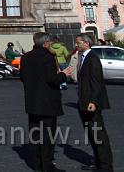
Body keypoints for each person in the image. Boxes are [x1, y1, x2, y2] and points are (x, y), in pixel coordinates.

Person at [20, 31, 68, 172]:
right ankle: (47, 165)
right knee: (47, 135)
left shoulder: (26, 57)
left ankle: (36, 164)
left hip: (32, 102)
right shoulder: (47, 57)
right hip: (47, 103)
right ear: (46, 43)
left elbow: (22, 77)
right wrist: (64, 75)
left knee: (35, 134)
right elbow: (52, 79)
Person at [68, 33, 113, 171]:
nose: (76, 45)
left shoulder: (92, 58)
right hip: (84, 102)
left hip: (91, 103)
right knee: (92, 135)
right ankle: (98, 162)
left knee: (98, 134)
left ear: (86, 43)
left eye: (78, 43)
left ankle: (106, 165)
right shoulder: (84, 57)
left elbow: (97, 82)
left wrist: (93, 101)